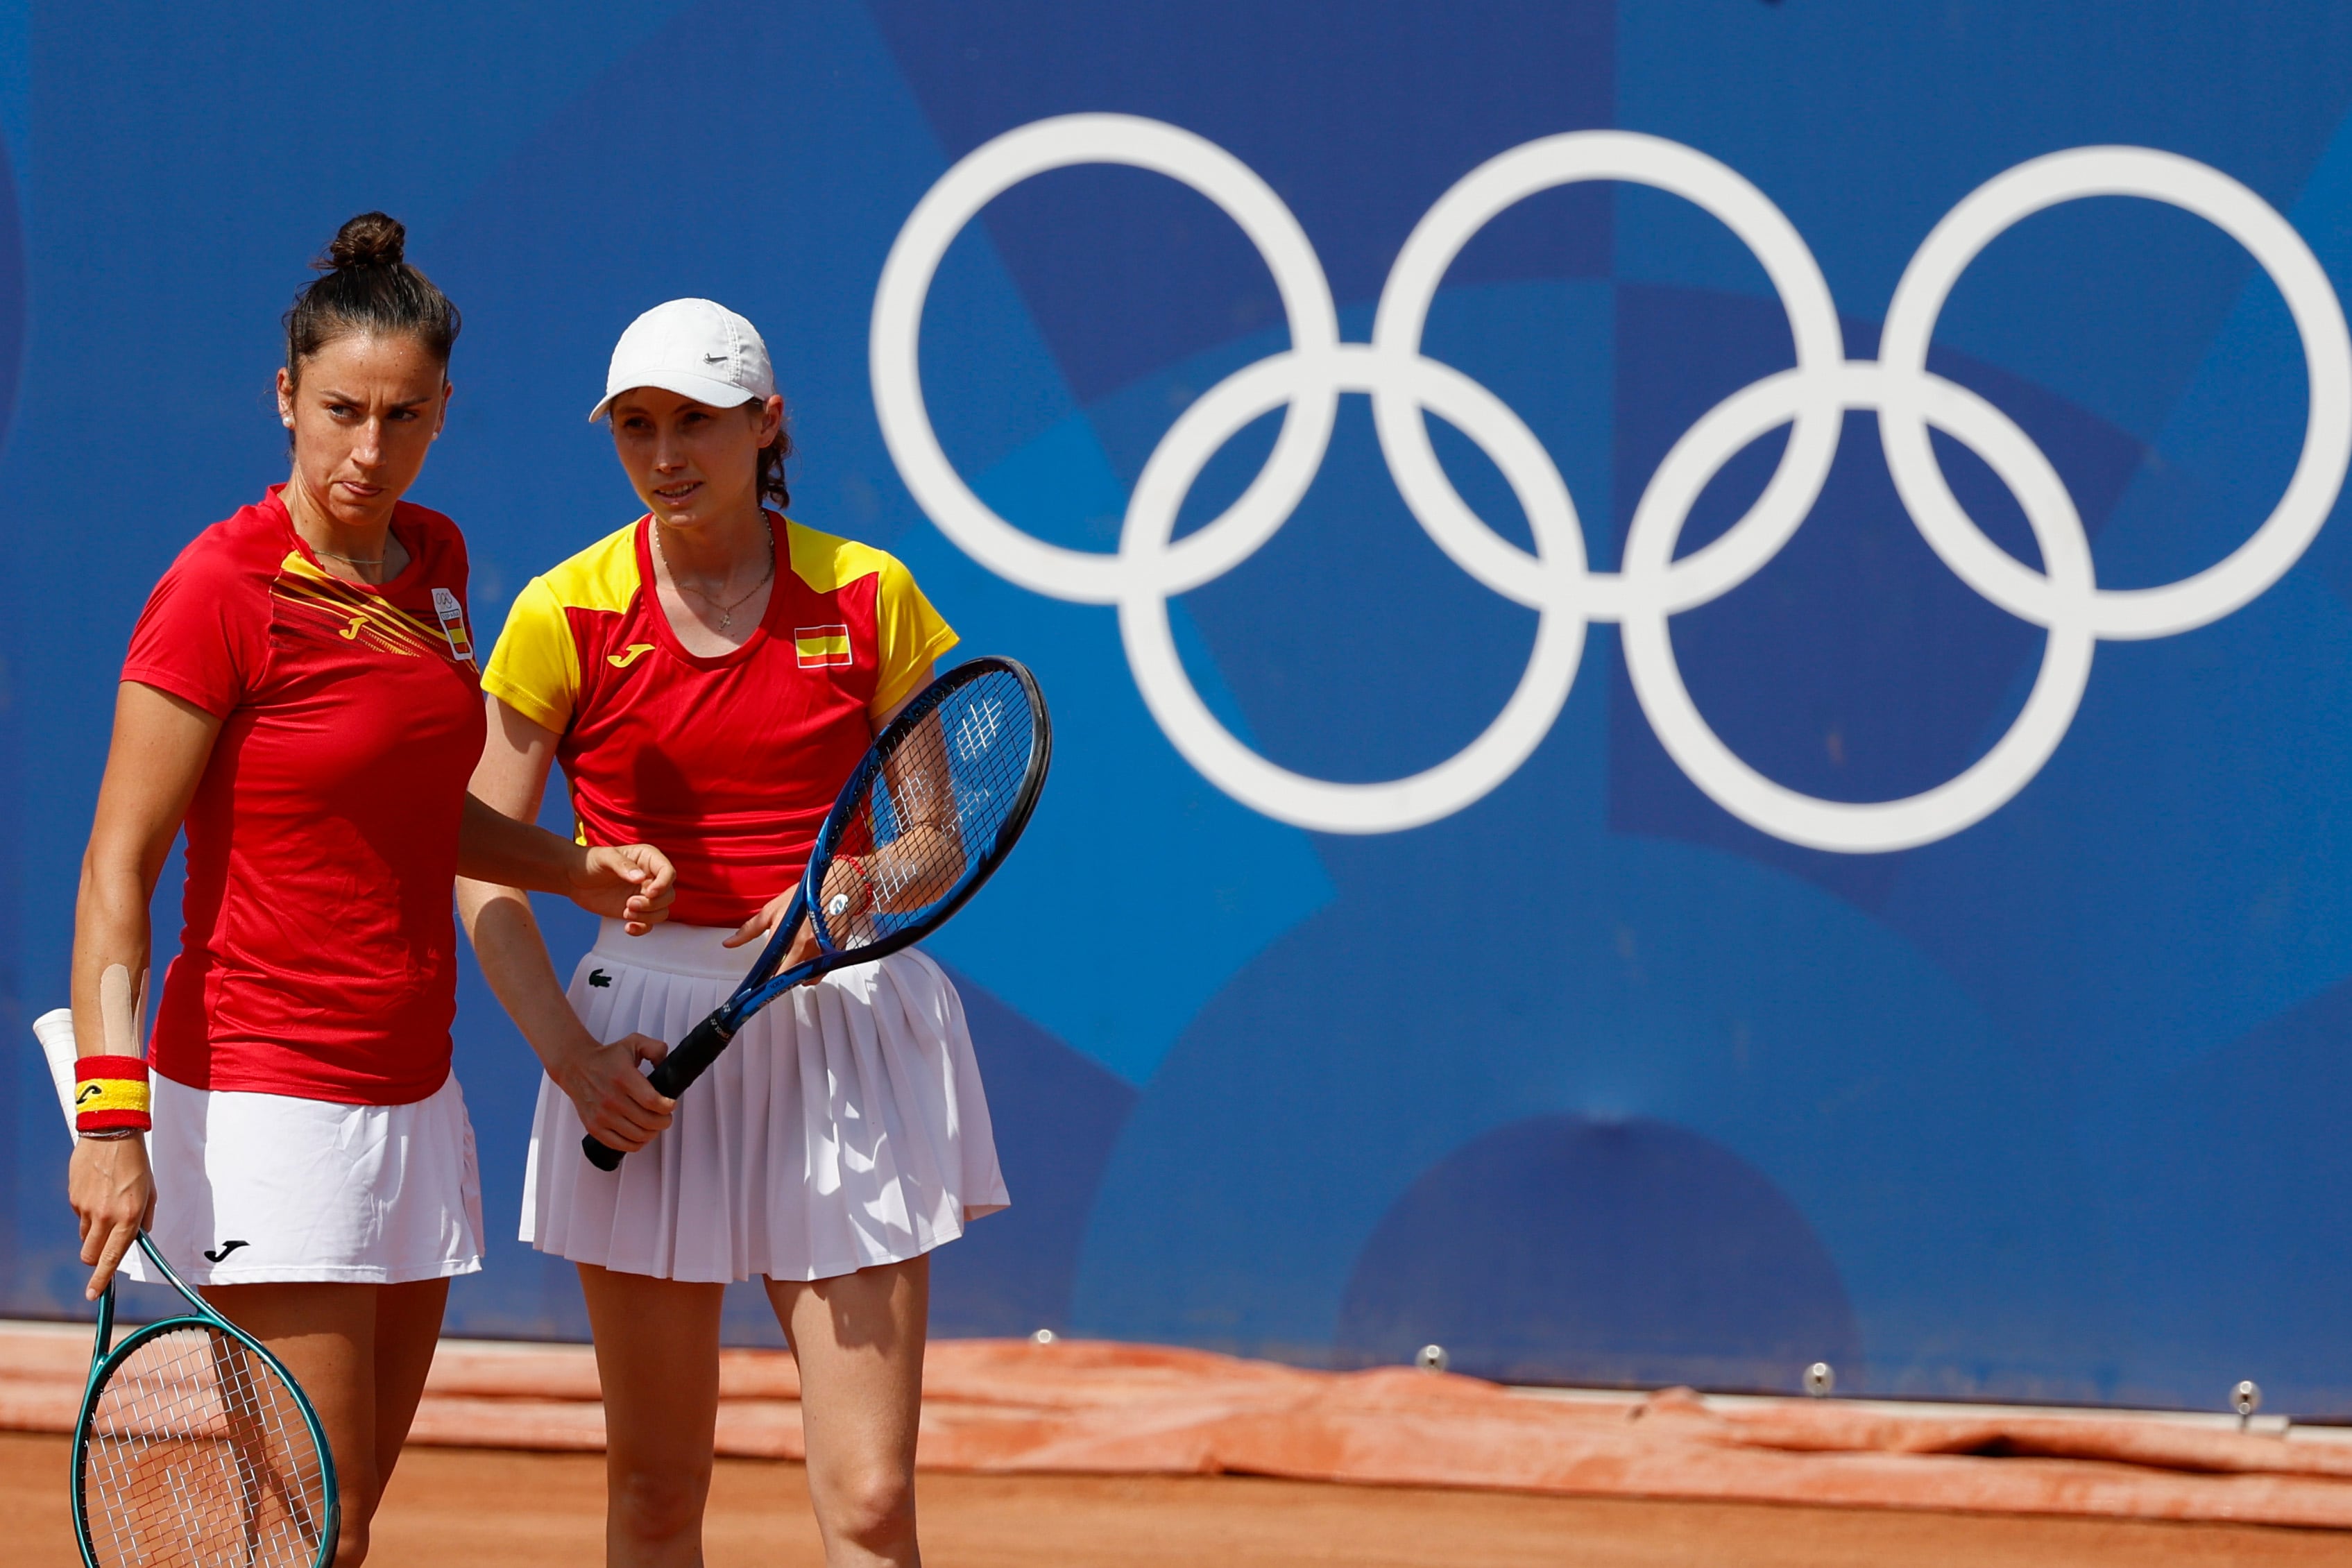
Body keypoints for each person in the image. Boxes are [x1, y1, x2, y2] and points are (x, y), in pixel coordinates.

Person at [64, 213, 677, 1568]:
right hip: (266, 1101)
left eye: (402, 416)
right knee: (307, 1538)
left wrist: (568, 861)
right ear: (284, 395)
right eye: (341, 410)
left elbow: (408, 810)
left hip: (414, 1095)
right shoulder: (217, 591)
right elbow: (120, 864)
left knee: (331, 1533)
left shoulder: (440, 567)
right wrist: (112, 1114)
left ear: (444, 409)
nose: (368, 450)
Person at [461, 298, 1006, 1568]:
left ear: (768, 427)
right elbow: (477, 862)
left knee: (870, 1500)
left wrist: (855, 891)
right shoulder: (564, 609)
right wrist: (572, 1061)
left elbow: (935, 836)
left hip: (840, 1030)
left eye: (698, 424)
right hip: (638, 1048)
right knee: (657, 1496)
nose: (665, 456)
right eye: (637, 427)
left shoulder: (869, 593)